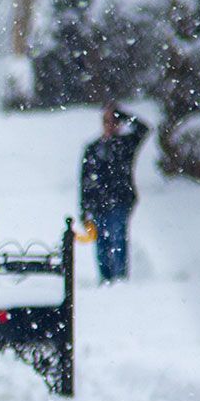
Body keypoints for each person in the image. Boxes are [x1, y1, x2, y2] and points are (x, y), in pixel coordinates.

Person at [79, 103, 151, 283]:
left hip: (120, 200)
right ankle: (105, 279)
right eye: (106, 121)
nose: (110, 125)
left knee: (118, 239)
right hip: (98, 203)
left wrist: (123, 115)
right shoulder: (93, 148)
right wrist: (84, 209)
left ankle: (120, 278)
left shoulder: (125, 144)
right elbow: (85, 180)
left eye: (113, 121)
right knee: (101, 243)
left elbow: (143, 129)